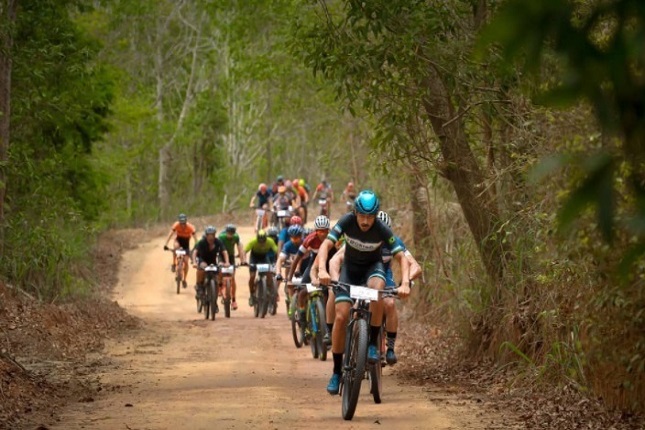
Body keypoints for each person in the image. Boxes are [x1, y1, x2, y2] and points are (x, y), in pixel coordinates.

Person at [316, 190, 411, 395]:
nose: (366, 221)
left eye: (370, 217)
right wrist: (322, 270)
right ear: (355, 213)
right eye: (362, 216)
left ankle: (372, 345)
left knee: (377, 291)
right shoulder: (347, 221)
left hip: (372, 269)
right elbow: (326, 245)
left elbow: (402, 257)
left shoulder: (382, 228)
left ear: (375, 215)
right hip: (350, 270)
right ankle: (336, 372)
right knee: (341, 317)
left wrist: (406, 283)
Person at [329, 211, 422, 365]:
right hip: (361, 275)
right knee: (354, 307)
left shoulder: (394, 242)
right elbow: (337, 258)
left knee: (389, 304)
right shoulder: (359, 239)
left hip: (384, 275)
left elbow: (415, 266)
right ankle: (351, 342)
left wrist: (406, 282)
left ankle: (390, 347)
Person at [286, 215, 330, 324]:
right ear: (316, 231)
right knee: (302, 291)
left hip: (329, 263)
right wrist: (289, 279)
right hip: (314, 263)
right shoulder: (309, 239)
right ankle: (302, 316)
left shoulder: (333, 238)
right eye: (320, 231)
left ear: (328, 230)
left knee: (328, 292)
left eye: (325, 231)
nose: (323, 234)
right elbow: (297, 258)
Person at [191, 226, 230, 308]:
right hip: (203, 260)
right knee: (201, 269)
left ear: (215, 235)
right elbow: (195, 252)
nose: (211, 237)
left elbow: (224, 252)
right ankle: (199, 286)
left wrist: (226, 262)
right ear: (206, 235)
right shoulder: (202, 242)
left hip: (213, 261)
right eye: (209, 235)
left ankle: (215, 295)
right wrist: (194, 262)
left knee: (219, 270)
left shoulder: (218, 242)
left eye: (212, 234)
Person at [274, 224, 306, 317]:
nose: (295, 240)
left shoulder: (305, 243)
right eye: (292, 237)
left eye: (297, 237)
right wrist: (278, 273)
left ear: (301, 236)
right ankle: (293, 304)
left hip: (305, 268)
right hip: (293, 269)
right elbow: (280, 260)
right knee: (290, 284)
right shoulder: (288, 245)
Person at [244, 229, 278, 307]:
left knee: (269, 272)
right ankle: (252, 294)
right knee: (252, 276)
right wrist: (244, 261)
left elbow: (277, 251)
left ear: (266, 238)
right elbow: (244, 251)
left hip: (264, 257)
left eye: (263, 241)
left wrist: (279, 260)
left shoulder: (270, 241)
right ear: (257, 239)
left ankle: (269, 290)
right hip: (254, 257)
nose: (262, 243)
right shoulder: (253, 241)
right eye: (260, 241)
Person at [163, 213, 198, 288]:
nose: (182, 225)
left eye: (184, 223)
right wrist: (166, 244)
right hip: (178, 240)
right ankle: (174, 263)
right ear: (179, 222)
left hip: (186, 242)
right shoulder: (176, 225)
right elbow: (170, 234)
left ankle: (184, 279)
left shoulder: (190, 227)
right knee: (175, 247)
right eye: (181, 223)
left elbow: (195, 238)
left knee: (186, 261)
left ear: (186, 222)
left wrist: (197, 246)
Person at [217, 224, 247, 311]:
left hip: (231, 256)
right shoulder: (221, 237)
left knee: (232, 277)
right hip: (221, 255)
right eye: (229, 233)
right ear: (226, 232)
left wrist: (242, 261)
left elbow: (240, 249)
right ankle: (219, 286)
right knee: (220, 271)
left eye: (232, 233)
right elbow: (219, 248)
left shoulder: (236, 237)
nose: (230, 235)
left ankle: (234, 300)